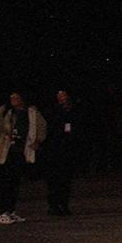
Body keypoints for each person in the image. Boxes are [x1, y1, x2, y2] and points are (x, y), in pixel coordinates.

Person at [0, 90, 47, 225]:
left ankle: (11, 211)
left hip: (20, 152)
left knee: (15, 183)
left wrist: (38, 140)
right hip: (5, 153)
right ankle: (3, 212)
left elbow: (42, 127)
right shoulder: (4, 111)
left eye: (17, 97)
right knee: (4, 183)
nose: (14, 100)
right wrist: (1, 135)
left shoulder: (31, 112)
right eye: (12, 97)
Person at [44, 88, 89, 216]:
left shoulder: (75, 110)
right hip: (54, 150)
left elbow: (79, 127)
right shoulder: (52, 111)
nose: (62, 98)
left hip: (69, 150)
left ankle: (63, 204)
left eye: (64, 95)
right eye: (59, 96)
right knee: (54, 180)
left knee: (66, 180)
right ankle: (53, 205)